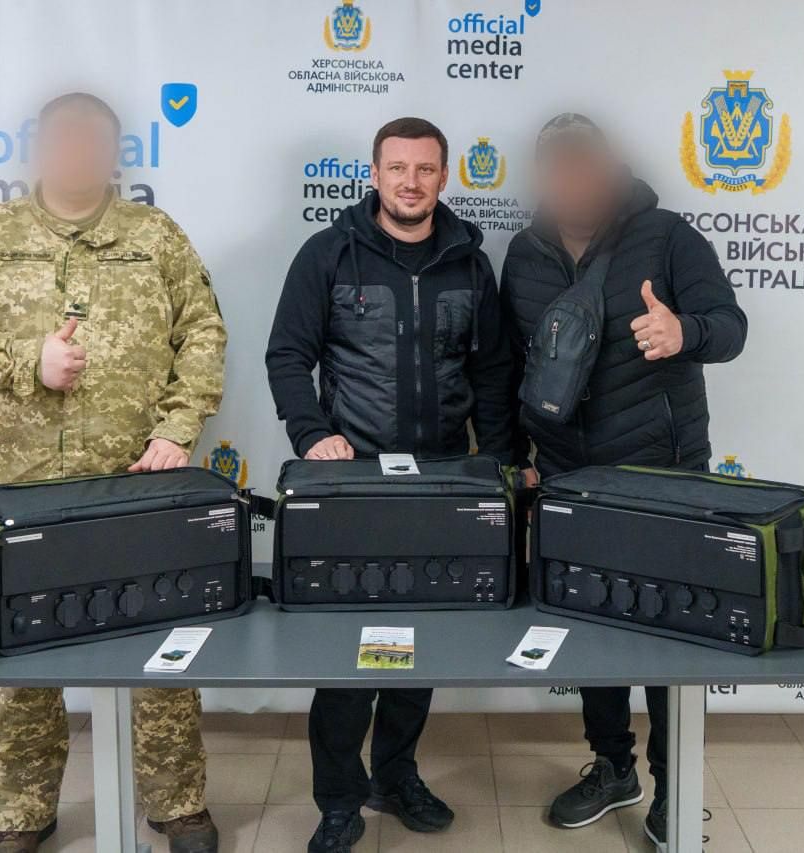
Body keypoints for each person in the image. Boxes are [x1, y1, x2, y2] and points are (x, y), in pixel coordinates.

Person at [0, 93, 227, 853]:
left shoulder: (155, 235)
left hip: (136, 482)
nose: (78, 154)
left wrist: (176, 429)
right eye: (64, 141)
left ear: (114, 154)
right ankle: (22, 811)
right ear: (40, 149)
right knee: (21, 651)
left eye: (93, 142)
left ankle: (177, 801)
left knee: (160, 640)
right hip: (22, 486)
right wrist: (26, 362)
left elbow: (204, 332)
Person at [500, 114, 748, 850]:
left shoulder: (668, 237)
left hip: (662, 477)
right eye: (561, 170)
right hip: (568, 479)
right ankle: (614, 768)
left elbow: (730, 326)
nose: (576, 183)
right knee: (592, 628)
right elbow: (511, 366)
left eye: (588, 168)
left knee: (671, 638)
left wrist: (683, 333)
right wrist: (519, 462)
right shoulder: (524, 254)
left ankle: (675, 790)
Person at [266, 116, 511, 853]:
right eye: (397, 168)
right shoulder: (328, 254)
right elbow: (287, 354)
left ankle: (396, 775)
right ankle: (340, 800)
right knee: (350, 650)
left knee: (419, 639)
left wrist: (499, 462)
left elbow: (493, 372)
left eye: (425, 169)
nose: (411, 182)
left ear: (444, 176)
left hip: (442, 481)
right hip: (355, 485)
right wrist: (311, 435)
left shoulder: (470, 262)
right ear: (373, 174)